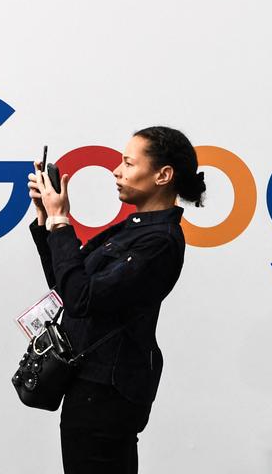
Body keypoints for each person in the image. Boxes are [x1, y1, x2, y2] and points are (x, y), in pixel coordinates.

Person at [27, 126, 206, 474]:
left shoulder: (159, 241)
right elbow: (68, 287)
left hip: (107, 393)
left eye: (127, 163)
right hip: (90, 387)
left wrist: (62, 222)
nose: (116, 171)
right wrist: (47, 220)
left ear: (163, 175)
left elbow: (80, 297)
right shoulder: (135, 228)